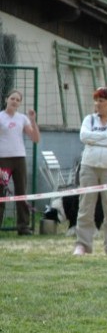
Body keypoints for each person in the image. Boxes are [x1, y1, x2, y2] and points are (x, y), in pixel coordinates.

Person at [73, 87, 107, 256]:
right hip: (89, 166)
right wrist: (106, 138)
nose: (97, 104)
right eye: (96, 100)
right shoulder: (89, 120)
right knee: (85, 206)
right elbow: (83, 136)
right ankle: (83, 245)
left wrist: (94, 139)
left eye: (101, 101)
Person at [0, 89, 40, 235]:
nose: (15, 101)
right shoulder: (1, 117)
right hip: (3, 159)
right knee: (1, 193)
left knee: (21, 193)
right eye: (12, 98)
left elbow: (35, 139)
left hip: (19, 158)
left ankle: (23, 227)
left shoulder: (22, 118)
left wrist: (33, 121)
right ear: (6, 99)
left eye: (18, 100)